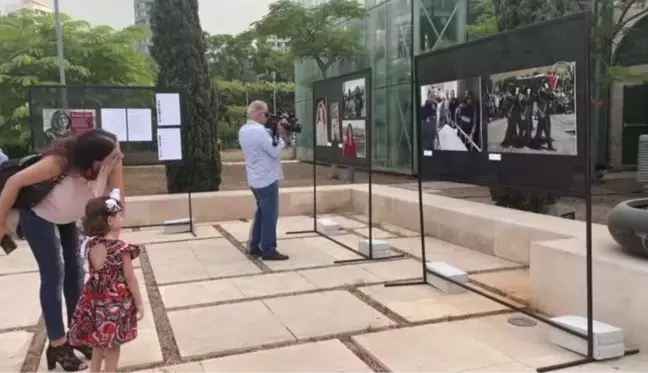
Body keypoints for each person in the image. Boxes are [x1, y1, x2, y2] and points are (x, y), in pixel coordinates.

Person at [0, 129, 124, 371]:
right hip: (39, 215)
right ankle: (57, 344)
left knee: (76, 272)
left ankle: (78, 335)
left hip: (69, 216)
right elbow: (14, 183)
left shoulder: (113, 164)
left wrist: (110, 242)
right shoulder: (58, 163)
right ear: (95, 161)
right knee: (53, 273)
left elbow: (117, 201)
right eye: (114, 154)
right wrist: (0, 223)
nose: (120, 157)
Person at [68, 191, 143, 373]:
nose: (121, 218)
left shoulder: (92, 245)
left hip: (95, 302)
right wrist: (139, 302)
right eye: (119, 215)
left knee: (98, 342)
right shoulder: (121, 249)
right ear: (110, 221)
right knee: (113, 345)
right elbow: (130, 278)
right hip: (115, 305)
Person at [238, 101, 289, 261]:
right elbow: (275, 151)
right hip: (267, 179)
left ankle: (255, 245)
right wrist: (280, 136)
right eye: (266, 114)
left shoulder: (244, 130)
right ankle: (269, 249)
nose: (267, 118)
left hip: (255, 179)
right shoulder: (260, 132)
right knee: (270, 216)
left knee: (261, 212)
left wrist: (273, 132)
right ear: (259, 114)